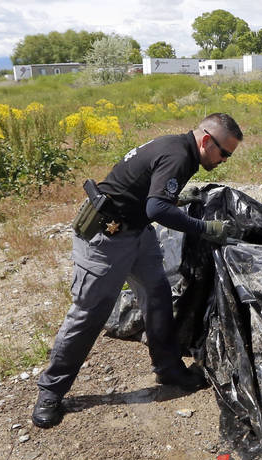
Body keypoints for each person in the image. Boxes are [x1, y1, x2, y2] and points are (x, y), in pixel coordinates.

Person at [31, 112, 243, 428]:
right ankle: (50, 391)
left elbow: (145, 187)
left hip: (137, 232)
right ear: (206, 140)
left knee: (157, 295)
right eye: (224, 152)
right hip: (106, 238)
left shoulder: (177, 147)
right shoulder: (177, 156)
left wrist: (180, 197)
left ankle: (168, 368)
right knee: (89, 314)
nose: (225, 160)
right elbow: (157, 208)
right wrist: (205, 228)